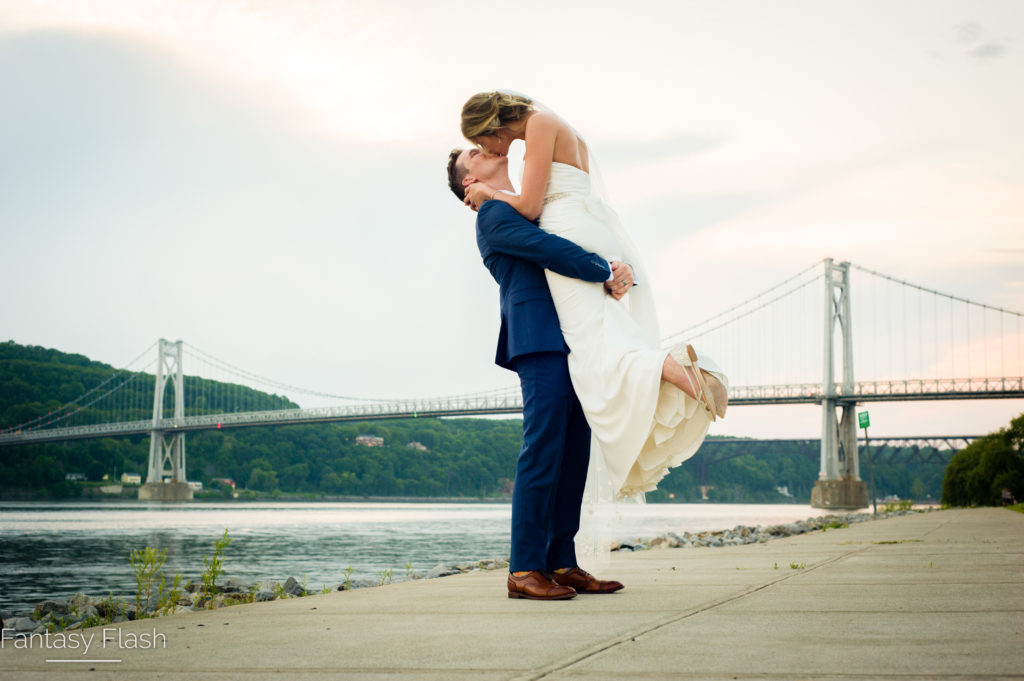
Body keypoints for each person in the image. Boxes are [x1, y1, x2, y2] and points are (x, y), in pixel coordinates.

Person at [459, 91, 728, 502]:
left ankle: (670, 369)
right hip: (589, 228)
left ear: (491, 127)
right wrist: (610, 266)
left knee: (593, 350)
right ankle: (667, 371)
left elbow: (531, 210)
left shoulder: (536, 130)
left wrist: (488, 195)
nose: (490, 150)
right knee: (604, 338)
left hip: (567, 229)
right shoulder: (549, 124)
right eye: (478, 151)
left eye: (481, 142)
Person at [446, 146, 627, 600]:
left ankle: (561, 561)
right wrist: (600, 268)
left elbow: (570, 236)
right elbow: (547, 249)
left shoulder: (524, 206)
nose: (486, 147)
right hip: (538, 338)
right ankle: (524, 568)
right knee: (543, 449)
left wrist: (619, 266)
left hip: (572, 338)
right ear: (470, 181)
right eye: (474, 152)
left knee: (573, 453)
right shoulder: (492, 216)